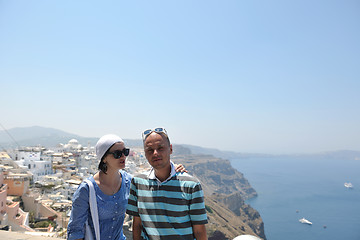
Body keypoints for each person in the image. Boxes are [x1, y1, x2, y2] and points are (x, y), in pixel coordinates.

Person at [67, 134, 186, 240]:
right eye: (117, 154)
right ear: (104, 158)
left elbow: (152, 184)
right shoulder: (87, 190)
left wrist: (172, 168)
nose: (123, 156)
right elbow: (75, 231)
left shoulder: (128, 181)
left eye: (125, 152)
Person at [126, 128, 208, 240]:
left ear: (170, 149)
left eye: (160, 148)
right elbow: (137, 224)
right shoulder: (137, 182)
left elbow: (199, 231)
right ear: (145, 153)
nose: (155, 153)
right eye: (150, 150)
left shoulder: (191, 185)